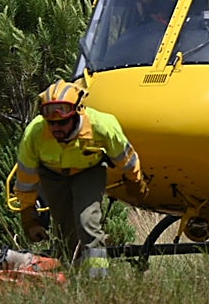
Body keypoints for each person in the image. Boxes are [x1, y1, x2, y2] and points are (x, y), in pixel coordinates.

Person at [14, 79, 148, 277]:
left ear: (77, 112)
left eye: (62, 122)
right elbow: (26, 180)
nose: (56, 128)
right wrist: (29, 219)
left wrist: (136, 184)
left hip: (88, 172)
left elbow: (127, 160)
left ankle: (98, 280)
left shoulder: (102, 126)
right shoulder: (34, 133)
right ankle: (69, 278)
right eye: (51, 123)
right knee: (66, 232)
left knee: (87, 223)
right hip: (52, 175)